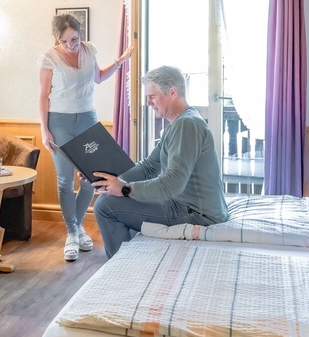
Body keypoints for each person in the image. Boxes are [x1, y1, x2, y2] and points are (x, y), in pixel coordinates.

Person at [92, 65, 228, 258]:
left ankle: (124, 270)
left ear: (172, 92)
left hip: (198, 214)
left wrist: (125, 189)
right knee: (115, 198)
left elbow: (173, 183)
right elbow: (149, 167)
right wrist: (108, 178)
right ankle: (135, 260)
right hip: (188, 204)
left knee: (105, 206)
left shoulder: (186, 125)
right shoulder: (180, 123)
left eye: (152, 96)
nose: (148, 103)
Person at [39, 13, 131, 262]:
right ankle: (72, 233)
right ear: (57, 39)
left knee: (93, 177)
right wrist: (44, 129)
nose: (71, 45)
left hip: (87, 118)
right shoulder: (49, 58)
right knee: (64, 180)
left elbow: (99, 77)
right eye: (65, 41)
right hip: (59, 121)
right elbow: (43, 96)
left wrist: (120, 61)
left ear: (81, 34)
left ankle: (77, 227)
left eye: (75, 39)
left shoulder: (90, 51)